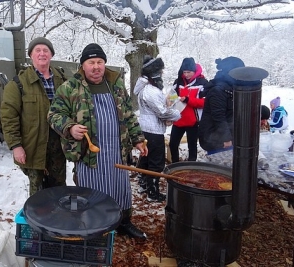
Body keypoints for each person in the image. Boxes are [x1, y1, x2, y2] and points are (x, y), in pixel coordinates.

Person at [48, 43, 148, 239]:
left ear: (104, 64)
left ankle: (123, 222)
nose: (96, 66)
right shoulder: (70, 87)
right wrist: (70, 127)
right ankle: (94, 227)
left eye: (100, 62)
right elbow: (54, 114)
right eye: (91, 62)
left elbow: (128, 114)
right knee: (92, 192)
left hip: (116, 149)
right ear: (83, 65)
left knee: (120, 189)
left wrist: (138, 139)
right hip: (88, 153)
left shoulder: (116, 84)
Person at [0, 37, 67, 196]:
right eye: (38, 50)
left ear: (51, 55)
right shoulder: (18, 84)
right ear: (31, 55)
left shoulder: (63, 81)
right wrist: (16, 146)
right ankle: (38, 221)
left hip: (58, 147)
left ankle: (59, 220)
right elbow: (9, 117)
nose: (42, 54)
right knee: (38, 195)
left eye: (46, 50)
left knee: (60, 190)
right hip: (34, 147)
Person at [133, 55, 181, 202]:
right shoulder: (151, 91)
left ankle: (144, 185)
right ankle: (152, 193)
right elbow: (162, 111)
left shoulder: (147, 87)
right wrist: (176, 113)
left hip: (148, 128)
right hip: (153, 131)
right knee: (156, 162)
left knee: (146, 158)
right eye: (160, 71)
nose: (162, 73)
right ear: (154, 72)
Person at [198, 56, 245, 154]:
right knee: (219, 167)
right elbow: (218, 117)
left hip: (223, 136)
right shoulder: (218, 90)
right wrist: (226, 139)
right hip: (216, 139)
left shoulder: (230, 87)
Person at [169, 57, 208, 163]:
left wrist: (188, 100)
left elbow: (204, 103)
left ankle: (191, 166)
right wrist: (171, 100)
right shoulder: (178, 81)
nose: (186, 74)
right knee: (173, 144)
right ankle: (175, 164)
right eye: (184, 72)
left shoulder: (202, 83)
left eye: (189, 72)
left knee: (192, 146)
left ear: (194, 71)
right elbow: (172, 96)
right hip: (178, 119)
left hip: (193, 121)